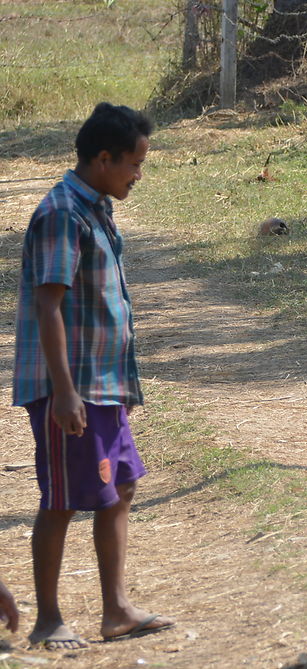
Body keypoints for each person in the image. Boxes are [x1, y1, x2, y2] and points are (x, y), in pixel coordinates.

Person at [12, 103, 175, 650]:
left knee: (120, 487)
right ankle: (47, 618)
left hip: (102, 385)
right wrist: (63, 390)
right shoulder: (62, 213)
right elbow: (48, 306)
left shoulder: (96, 206)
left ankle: (117, 609)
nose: (138, 174)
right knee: (61, 498)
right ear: (103, 158)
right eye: (133, 163)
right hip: (72, 387)